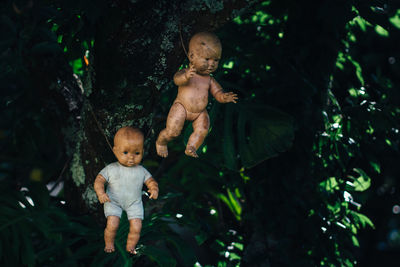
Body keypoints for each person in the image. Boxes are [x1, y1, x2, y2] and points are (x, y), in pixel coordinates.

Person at [156, 32, 238, 158]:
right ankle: (161, 142)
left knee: (203, 130)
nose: (211, 64)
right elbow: (176, 80)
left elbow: (217, 92)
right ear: (192, 56)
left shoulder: (209, 79)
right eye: (207, 59)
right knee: (172, 132)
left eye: (215, 60)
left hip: (200, 112)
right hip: (181, 107)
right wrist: (185, 76)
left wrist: (223, 97)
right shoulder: (187, 72)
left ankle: (191, 147)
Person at [94, 126, 159, 254]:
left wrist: (154, 189)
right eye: (125, 152)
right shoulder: (111, 169)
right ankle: (109, 244)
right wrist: (100, 193)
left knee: (136, 227)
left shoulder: (141, 170)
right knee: (112, 225)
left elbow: (151, 181)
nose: (131, 157)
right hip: (113, 201)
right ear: (115, 151)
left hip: (134, 202)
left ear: (142, 151)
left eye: (137, 153)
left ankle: (131, 247)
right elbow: (99, 181)